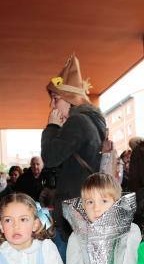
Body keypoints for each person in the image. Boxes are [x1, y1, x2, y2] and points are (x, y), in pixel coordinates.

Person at [41, 54, 107, 238]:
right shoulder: (91, 120)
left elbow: (50, 158)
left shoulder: (77, 121)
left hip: (75, 208)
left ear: (69, 98)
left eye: (56, 99)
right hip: (88, 203)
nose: (52, 105)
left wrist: (52, 127)